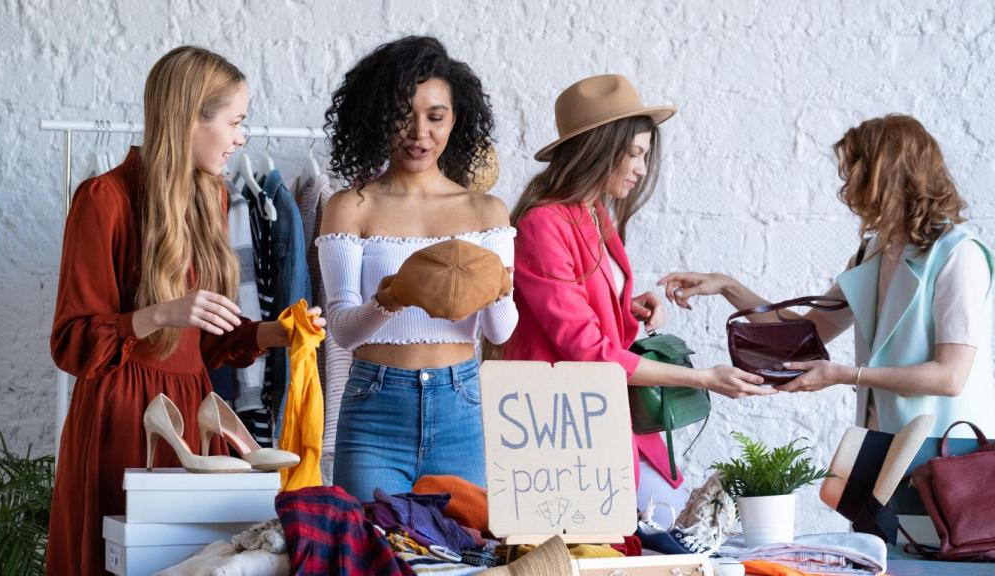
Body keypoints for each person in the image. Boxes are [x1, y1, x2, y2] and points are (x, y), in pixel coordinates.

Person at [46, 46, 322, 575]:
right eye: (235, 122)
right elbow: (72, 341)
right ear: (190, 117)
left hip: (194, 414)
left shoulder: (212, 199)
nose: (242, 138)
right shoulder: (103, 199)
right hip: (120, 412)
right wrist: (157, 314)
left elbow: (209, 339)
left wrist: (277, 333)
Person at [500, 74, 772, 526]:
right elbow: (586, 351)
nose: (642, 169)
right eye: (636, 154)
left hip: (598, 413)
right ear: (600, 149)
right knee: (654, 535)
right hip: (558, 428)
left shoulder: (594, 214)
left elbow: (573, 303)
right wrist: (702, 378)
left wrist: (625, 307)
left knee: (670, 529)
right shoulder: (544, 223)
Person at [659, 114, 994, 438]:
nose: (847, 188)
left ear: (885, 177)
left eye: (855, 175)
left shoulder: (958, 255)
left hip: (943, 448)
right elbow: (807, 333)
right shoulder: (873, 253)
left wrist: (844, 375)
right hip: (883, 440)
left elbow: (950, 376)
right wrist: (727, 286)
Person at [317, 36, 518, 501]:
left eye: (435, 116)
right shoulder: (351, 207)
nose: (419, 133)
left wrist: (500, 291)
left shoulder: (486, 211)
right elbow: (344, 333)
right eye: (403, 115)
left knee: (463, 562)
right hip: (375, 409)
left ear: (456, 118)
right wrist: (391, 298)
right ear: (376, 116)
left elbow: (501, 333)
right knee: (375, 558)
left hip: (461, 407)